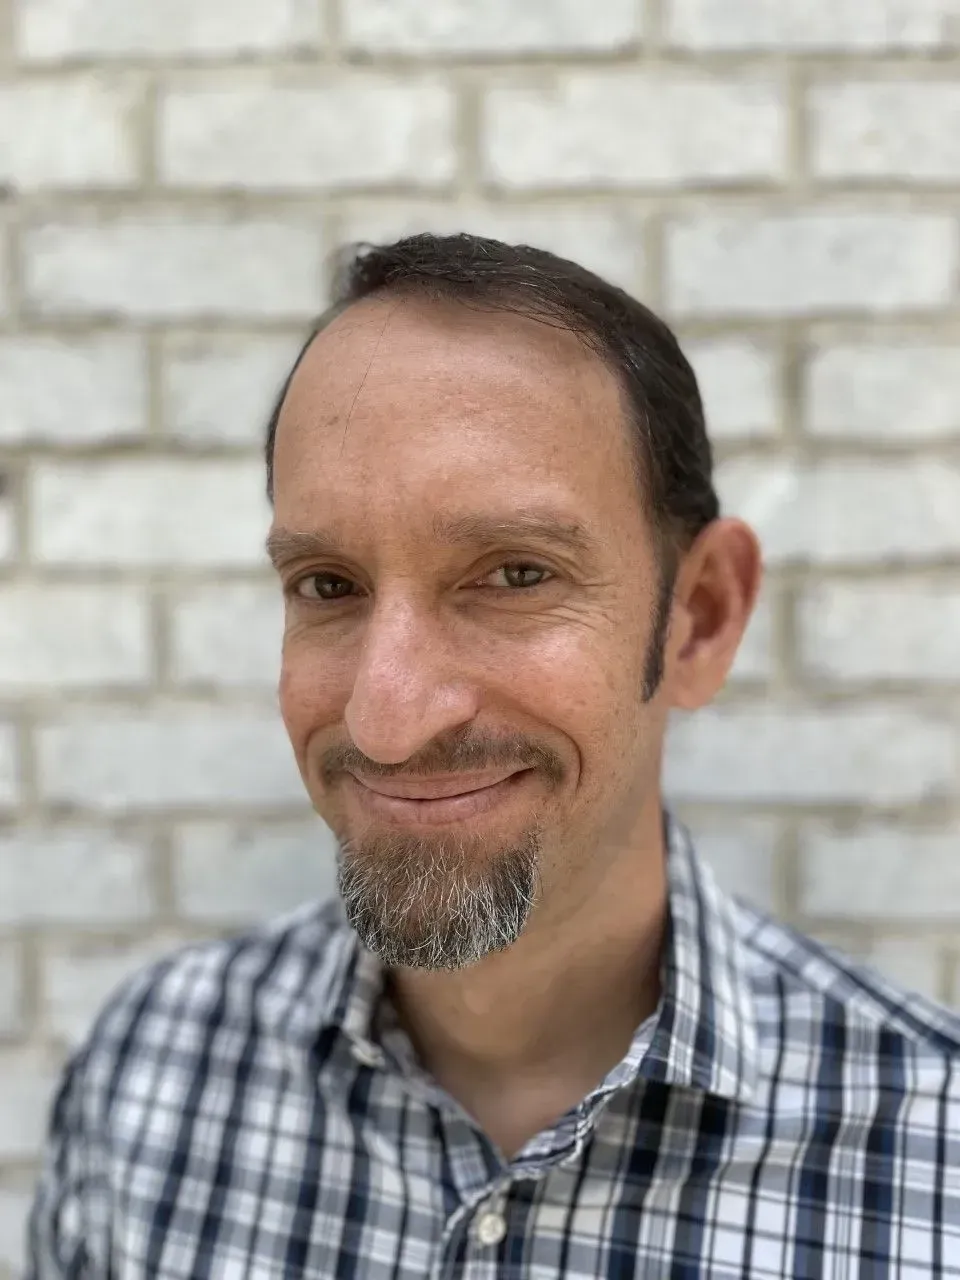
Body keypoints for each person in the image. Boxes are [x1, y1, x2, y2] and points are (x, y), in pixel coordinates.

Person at [28, 233, 960, 1279]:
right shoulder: (149, 1078)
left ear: (697, 619)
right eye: (328, 584)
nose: (390, 718)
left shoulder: (934, 1163)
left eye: (514, 573)